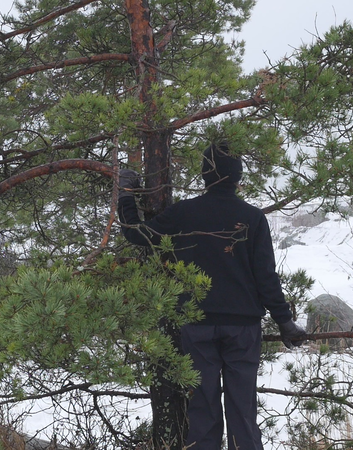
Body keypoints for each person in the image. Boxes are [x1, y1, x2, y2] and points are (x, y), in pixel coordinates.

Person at [117, 141, 306, 450]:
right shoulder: (252, 217)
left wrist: (126, 193)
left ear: (205, 174)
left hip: (197, 325)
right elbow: (266, 277)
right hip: (243, 328)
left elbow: (136, 233)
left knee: (202, 410)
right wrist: (284, 322)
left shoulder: (183, 213)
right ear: (238, 177)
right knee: (242, 411)